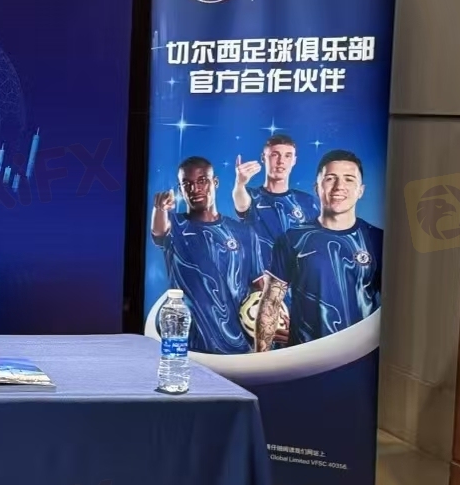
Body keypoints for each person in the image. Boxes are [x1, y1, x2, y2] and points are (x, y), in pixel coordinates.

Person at [255, 149, 382, 350]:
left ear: (361, 190)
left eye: (349, 179)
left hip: (359, 356)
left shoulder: (377, 240)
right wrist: (262, 358)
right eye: (330, 178)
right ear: (317, 187)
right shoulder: (292, 239)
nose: (339, 186)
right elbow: (270, 303)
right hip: (305, 358)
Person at [150, 156, 260, 355]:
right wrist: (159, 209)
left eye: (202, 181)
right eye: (187, 184)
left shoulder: (244, 233)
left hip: (239, 347)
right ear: (181, 189)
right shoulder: (175, 226)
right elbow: (159, 230)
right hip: (188, 347)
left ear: (214, 182)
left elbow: (259, 287)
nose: (195, 189)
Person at [232, 133, 318, 267]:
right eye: (275, 155)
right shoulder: (251, 196)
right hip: (261, 278)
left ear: (294, 160)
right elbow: (241, 201)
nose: (281, 161)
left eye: (287, 156)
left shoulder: (308, 201)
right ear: (263, 158)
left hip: (297, 277)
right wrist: (239, 183)